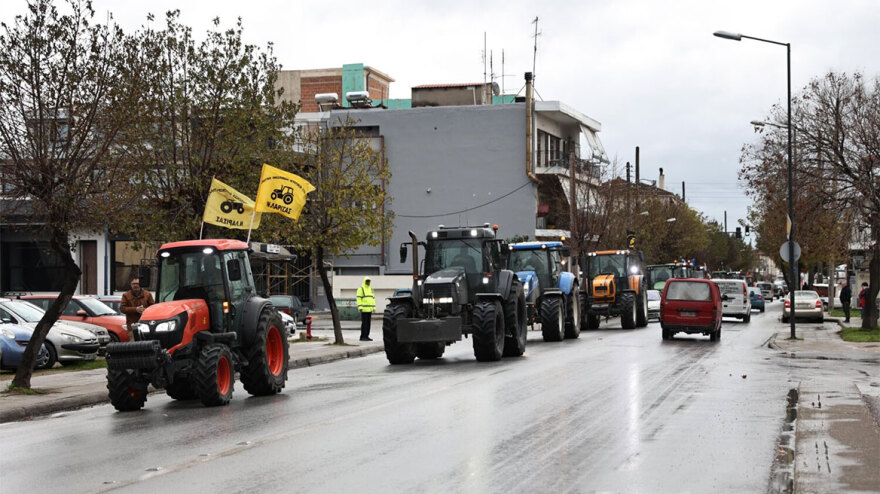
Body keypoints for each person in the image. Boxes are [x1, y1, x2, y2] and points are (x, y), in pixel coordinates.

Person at [120, 277, 155, 341]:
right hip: (132, 326)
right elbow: (122, 308)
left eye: (137, 283)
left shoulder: (147, 294)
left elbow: (153, 307)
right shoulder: (126, 295)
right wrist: (135, 309)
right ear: (131, 285)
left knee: (146, 344)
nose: (135, 285)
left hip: (146, 325)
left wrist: (145, 311)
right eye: (133, 284)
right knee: (134, 346)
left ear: (140, 284)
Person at [356, 276, 375, 341]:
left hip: (369, 310)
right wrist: (360, 307)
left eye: (369, 281)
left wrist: (373, 307)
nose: (368, 282)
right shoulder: (361, 289)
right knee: (364, 323)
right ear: (364, 281)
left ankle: (367, 336)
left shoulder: (371, 289)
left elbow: (372, 299)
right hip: (364, 310)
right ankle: (363, 336)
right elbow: (358, 298)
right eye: (367, 281)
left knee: (368, 324)